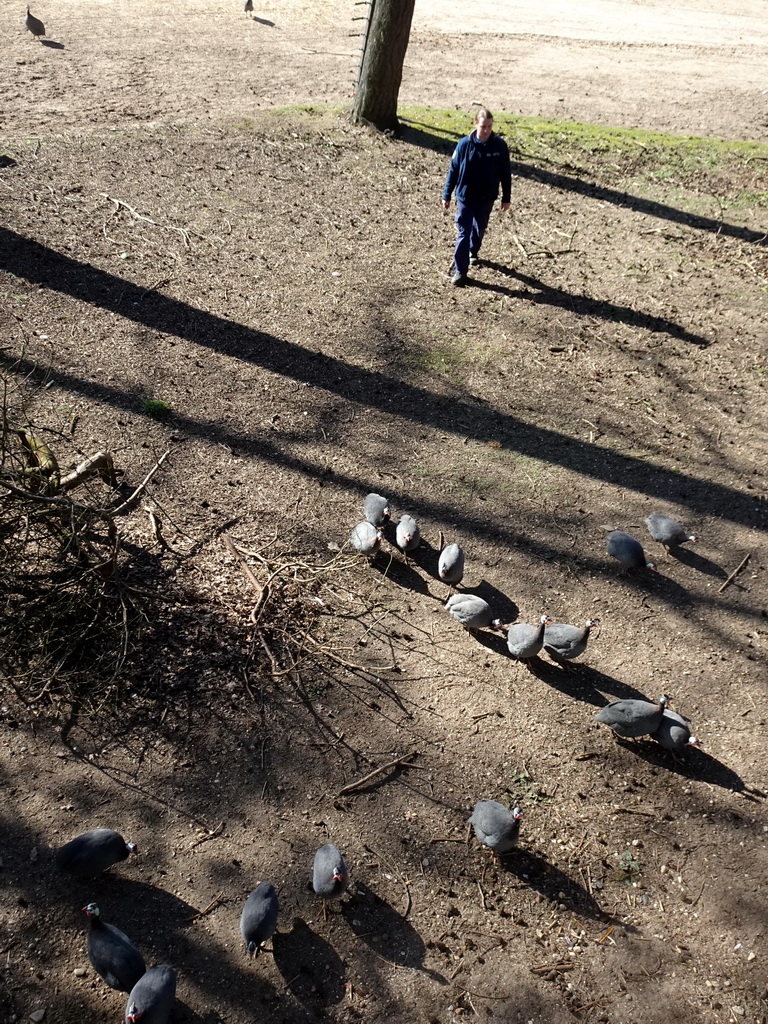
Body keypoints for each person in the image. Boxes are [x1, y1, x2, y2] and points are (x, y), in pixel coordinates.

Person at [441, 108, 512, 286]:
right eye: (483, 126)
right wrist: (447, 194)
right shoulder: (464, 145)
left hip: (486, 198)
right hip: (465, 196)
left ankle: (474, 250)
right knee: (463, 232)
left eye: (489, 126)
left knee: (479, 228)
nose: (486, 130)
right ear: (475, 124)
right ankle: (460, 271)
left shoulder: (499, 146)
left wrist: (506, 197)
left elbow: (505, 173)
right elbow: (453, 170)